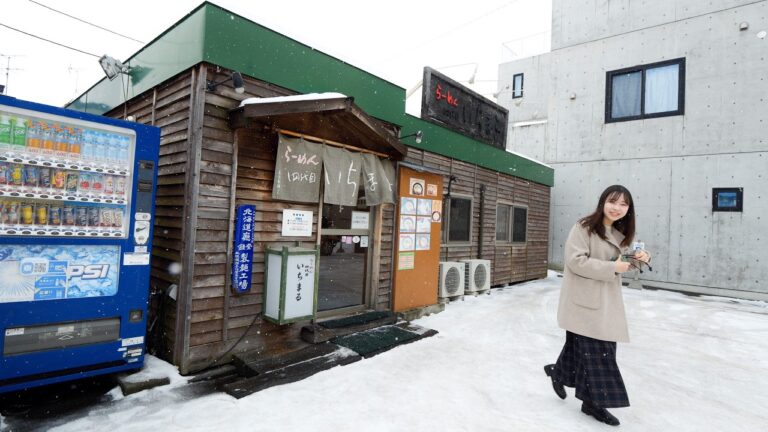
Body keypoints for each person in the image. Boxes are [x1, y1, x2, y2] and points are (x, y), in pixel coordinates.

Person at [543, 185, 651, 426]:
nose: (617, 208)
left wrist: (640, 259)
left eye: (624, 204)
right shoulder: (584, 228)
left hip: (606, 301)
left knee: (584, 349)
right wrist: (613, 267)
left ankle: (558, 372)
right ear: (603, 201)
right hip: (584, 302)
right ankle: (594, 403)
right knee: (600, 354)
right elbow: (575, 261)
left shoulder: (621, 233)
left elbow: (622, 264)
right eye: (613, 201)